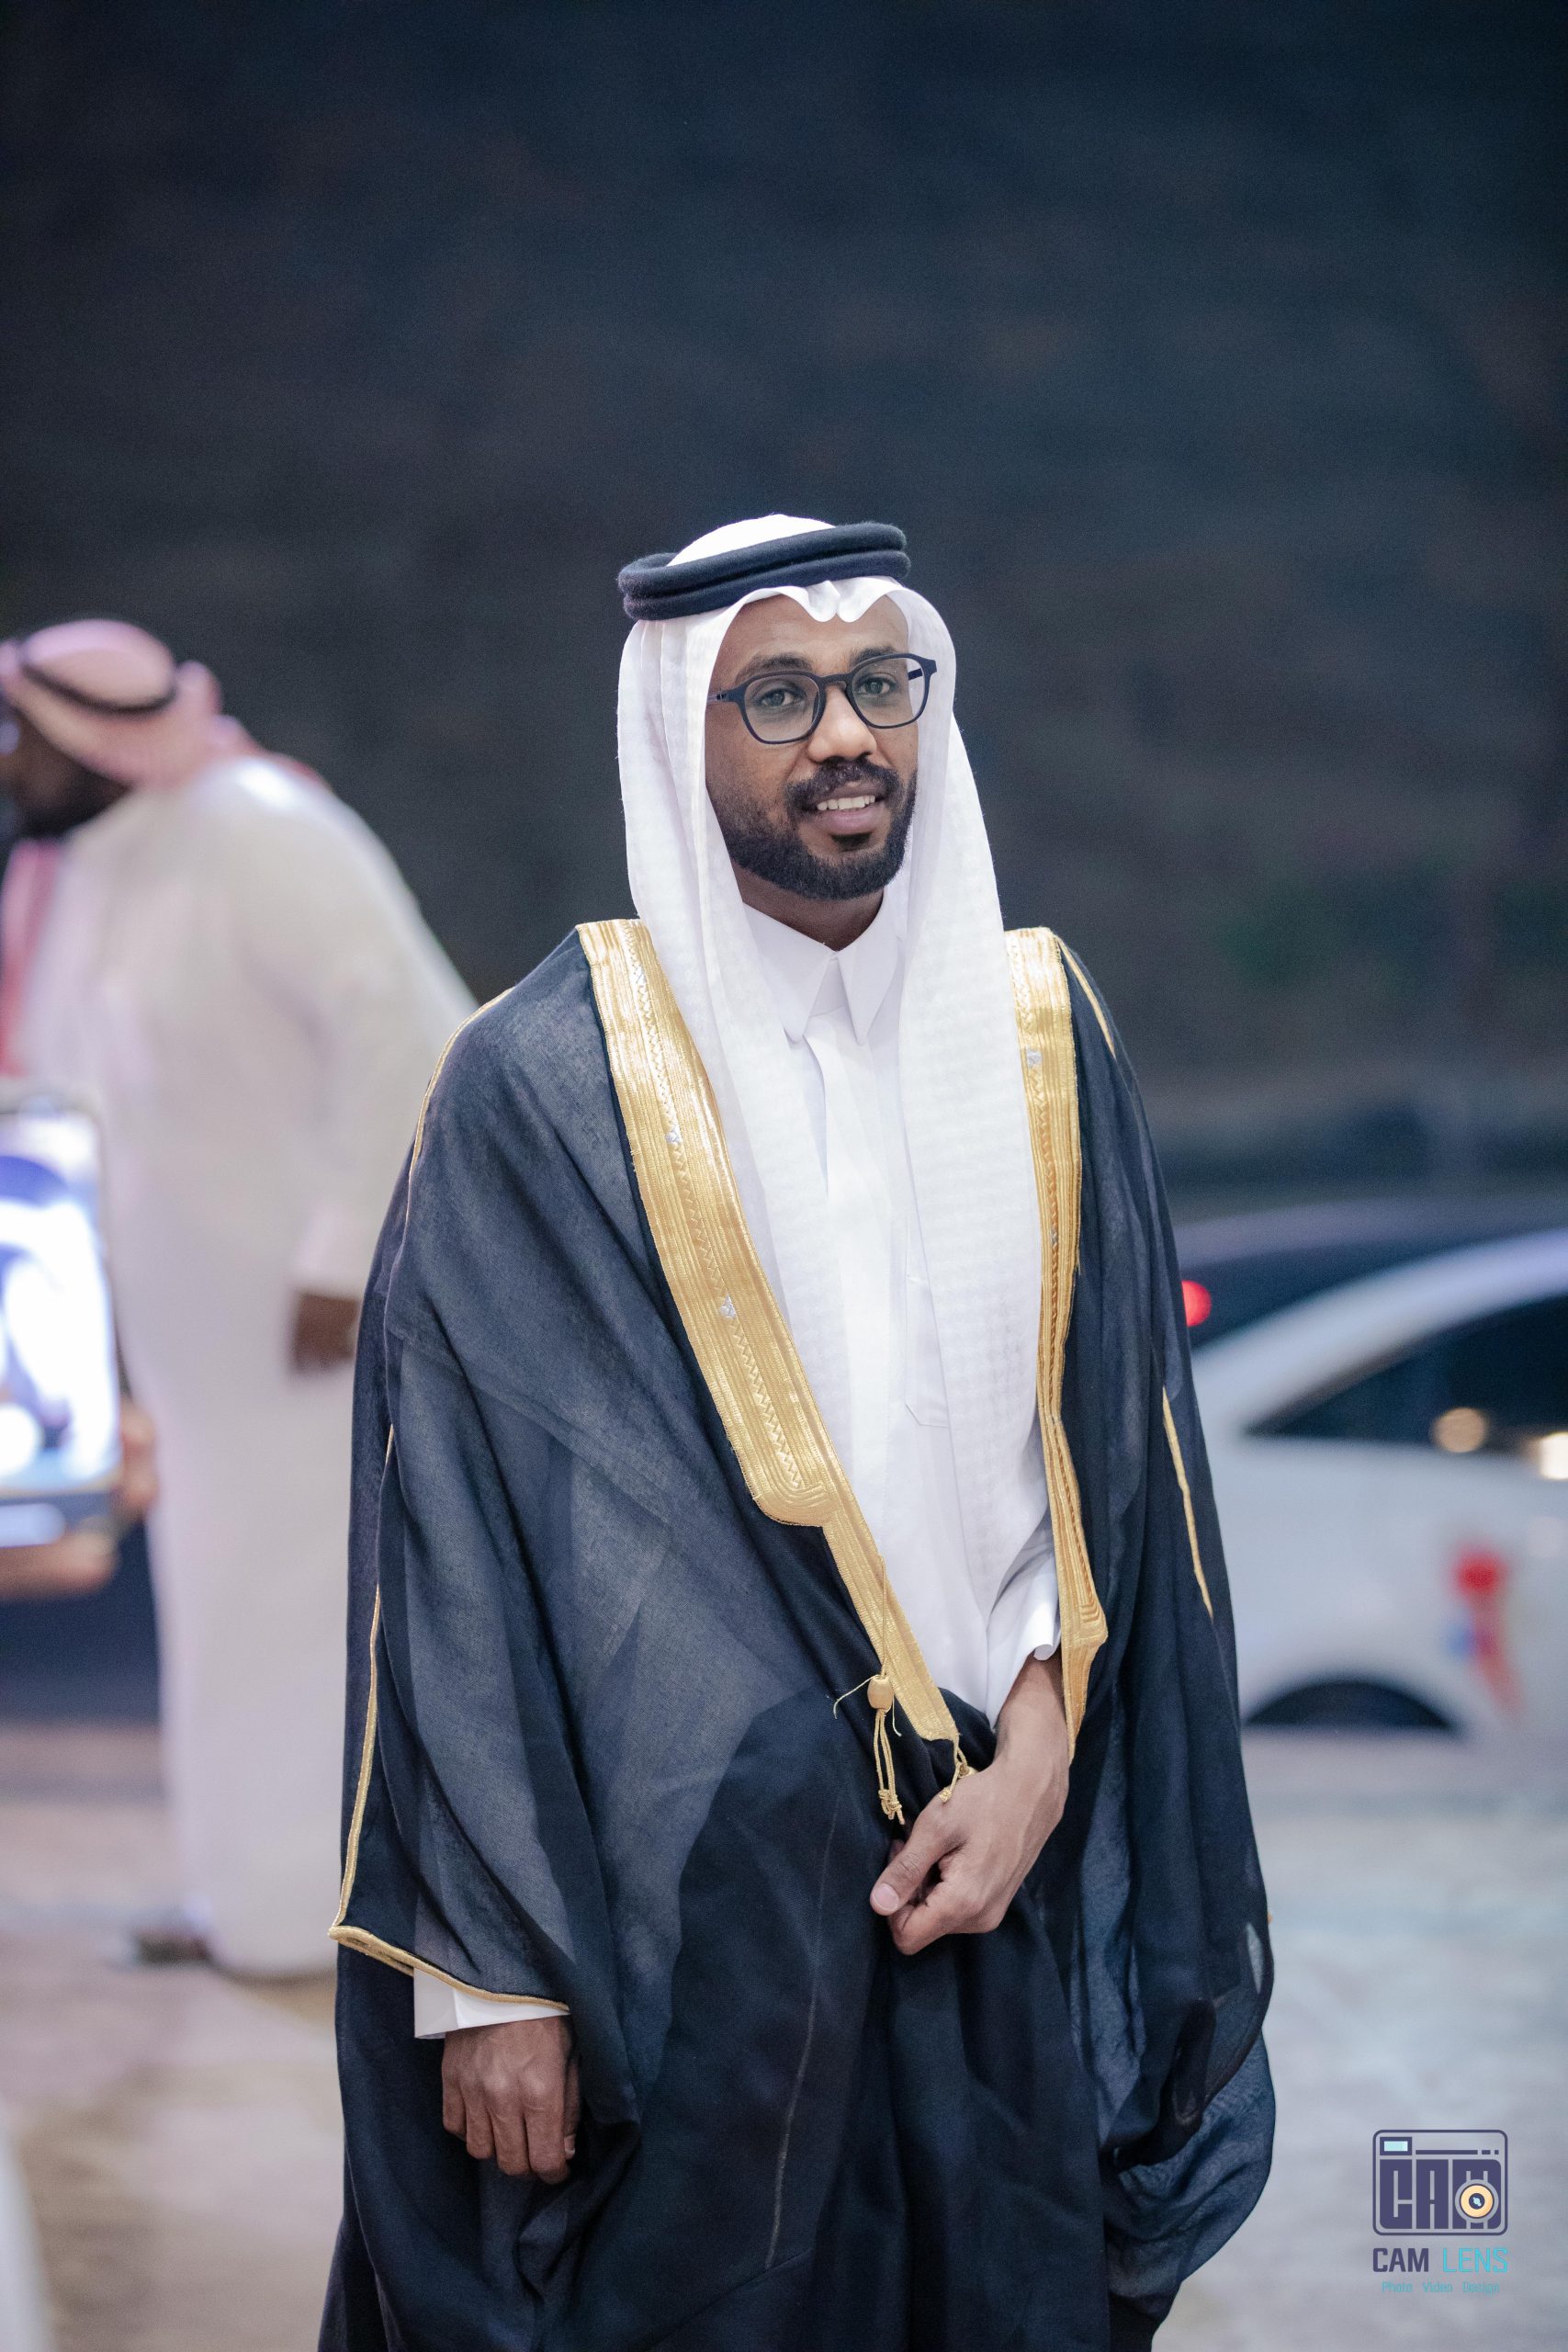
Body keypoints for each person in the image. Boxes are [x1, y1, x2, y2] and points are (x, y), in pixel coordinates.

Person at [322, 517, 1273, 2350]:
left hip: (995, 1870)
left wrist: (1037, 1761)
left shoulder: (1041, 1035)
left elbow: (1109, 1470)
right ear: (676, 730)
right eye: (776, 695)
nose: (843, 734)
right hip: (682, 1924)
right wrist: (489, 1975)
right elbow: (454, 1540)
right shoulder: (547, 1081)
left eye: (876, 684)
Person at [0, 621, 473, 1975]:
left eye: (26, 732)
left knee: (312, 1610)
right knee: (224, 1608)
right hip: (196, 1342)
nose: (10, 759)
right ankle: (244, 1893)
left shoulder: (264, 830)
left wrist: (339, 1257)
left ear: (93, 740)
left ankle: (326, 1917)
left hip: (312, 1328)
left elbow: (409, 1034)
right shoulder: (82, 871)